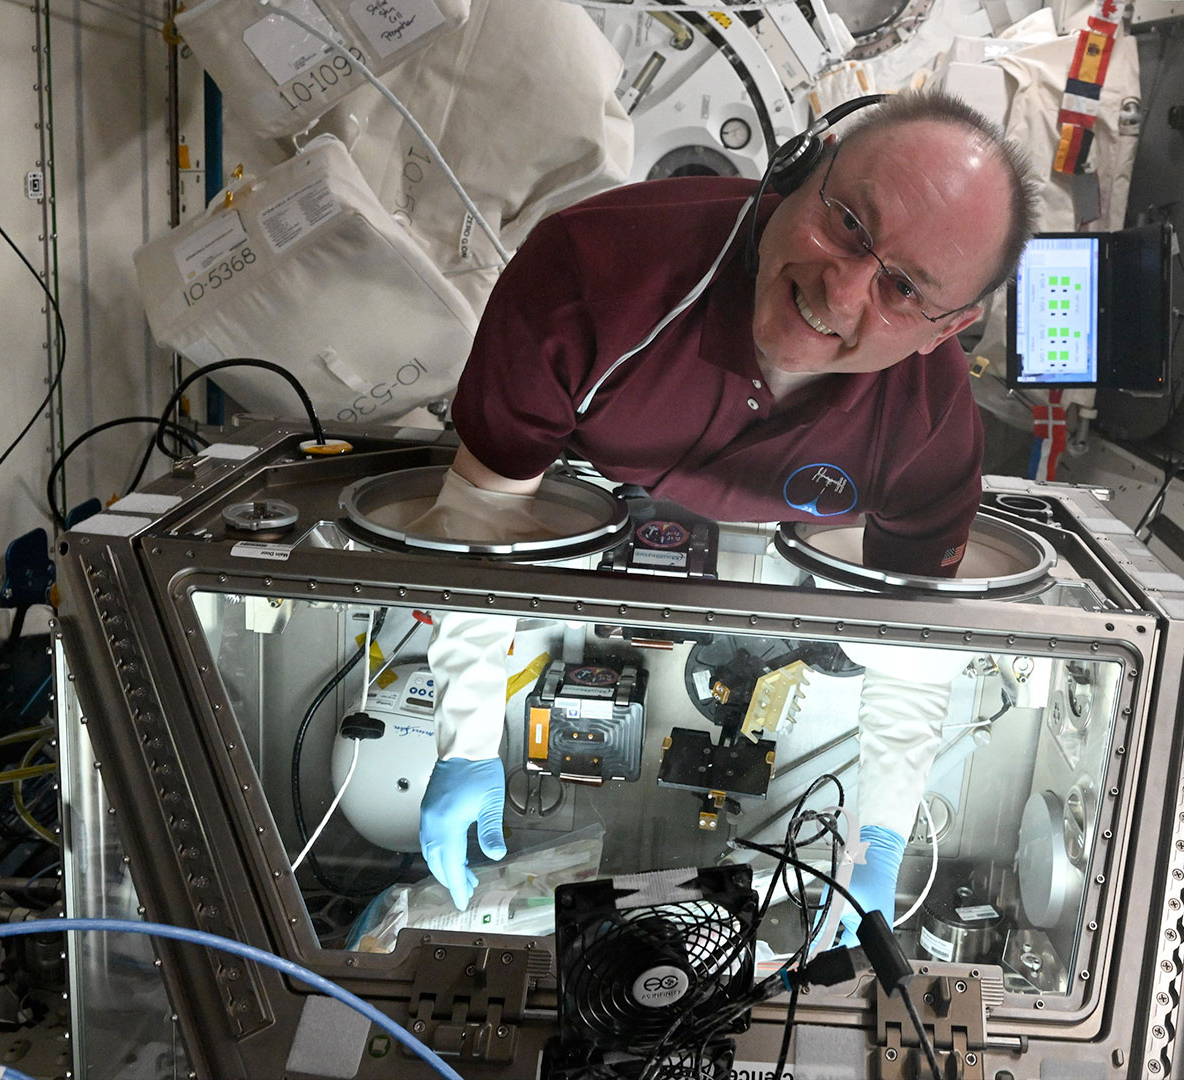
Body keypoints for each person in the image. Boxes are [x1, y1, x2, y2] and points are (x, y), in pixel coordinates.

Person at [408, 91, 1039, 937]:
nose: (841, 292)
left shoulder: (930, 427)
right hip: (575, 492)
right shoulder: (590, 270)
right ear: (799, 170)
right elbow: (482, 528)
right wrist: (467, 739)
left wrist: (877, 835)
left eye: (902, 288)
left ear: (947, 328)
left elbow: (909, 654)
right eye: (849, 223)